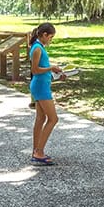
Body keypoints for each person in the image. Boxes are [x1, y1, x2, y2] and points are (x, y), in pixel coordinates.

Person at [28, 23, 64, 165]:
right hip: (40, 87)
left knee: (40, 119)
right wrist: (52, 67)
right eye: (50, 37)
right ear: (44, 35)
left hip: (42, 85)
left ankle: (36, 150)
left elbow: (42, 70)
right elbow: (35, 70)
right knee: (53, 118)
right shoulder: (37, 48)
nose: (51, 40)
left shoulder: (39, 47)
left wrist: (57, 74)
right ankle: (39, 152)